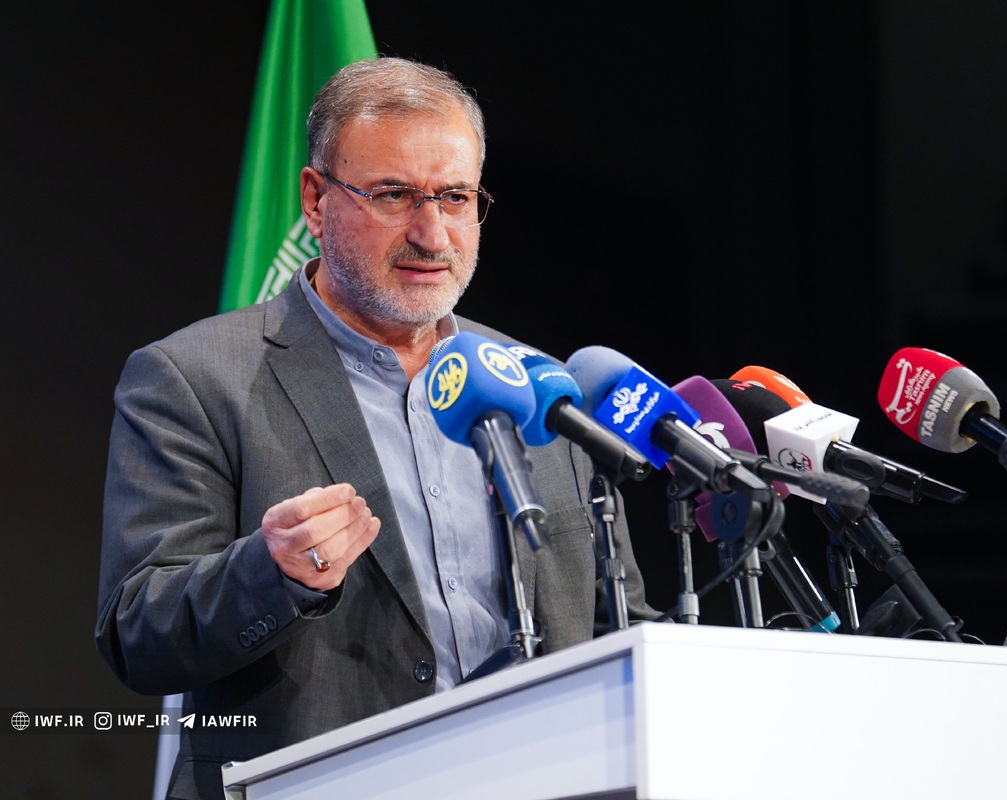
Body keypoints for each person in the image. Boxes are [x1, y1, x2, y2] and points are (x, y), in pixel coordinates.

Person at [95, 57, 656, 800]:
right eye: (394, 195)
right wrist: (275, 574)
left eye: (454, 197)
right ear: (315, 200)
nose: (432, 233)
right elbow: (137, 632)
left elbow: (618, 624)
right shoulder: (195, 377)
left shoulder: (541, 386)